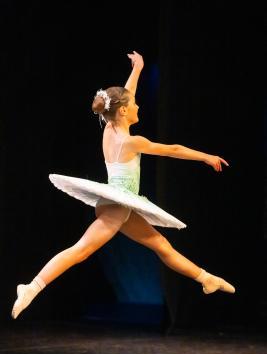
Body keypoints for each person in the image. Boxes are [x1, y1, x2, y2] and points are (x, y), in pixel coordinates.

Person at [11, 51, 235, 320]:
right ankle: (32, 287)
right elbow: (172, 149)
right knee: (81, 250)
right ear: (125, 111)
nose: (139, 106)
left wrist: (137, 69)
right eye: (135, 105)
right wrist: (206, 157)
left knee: (161, 245)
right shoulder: (133, 142)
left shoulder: (109, 129)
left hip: (119, 203)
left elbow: (124, 95)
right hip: (117, 205)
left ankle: (206, 278)